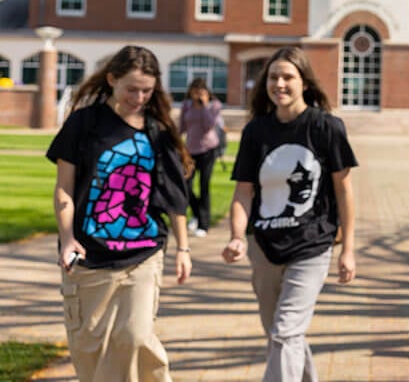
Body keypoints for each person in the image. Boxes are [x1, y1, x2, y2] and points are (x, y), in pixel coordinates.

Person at [47, 44, 193, 382]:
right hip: (88, 254)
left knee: (134, 337)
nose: (139, 97)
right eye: (132, 89)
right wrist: (67, 238)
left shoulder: (156, 131)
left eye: (147, 90)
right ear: (112, 79)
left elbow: (174, 197)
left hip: (143, 253)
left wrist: (184, 249)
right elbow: (64, 187)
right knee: (90, 351)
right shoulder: (84, 123)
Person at [222, 47, 358, 382]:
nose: (279, 84)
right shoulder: (256, 131)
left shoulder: (327, 127)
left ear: (305, 83)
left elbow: (344, 190)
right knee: (283, 334)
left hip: (312, 244)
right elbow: (243, 191)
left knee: (284, 331)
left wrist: (348, 249)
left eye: (288, 77)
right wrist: (237, 237)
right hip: (264, 246)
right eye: (273, 77)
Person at [179, 77, 225, 237]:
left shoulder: (214, 106)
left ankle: (203, 225)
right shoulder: (186, 105)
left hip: (207, 150)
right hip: (190, 150)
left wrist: (204, 106)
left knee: (204, 186)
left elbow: (210, 125)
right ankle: (197, 214)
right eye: (195, 92)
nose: (197, 95)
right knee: (186, 186)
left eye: (201, 92)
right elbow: (182, 126)